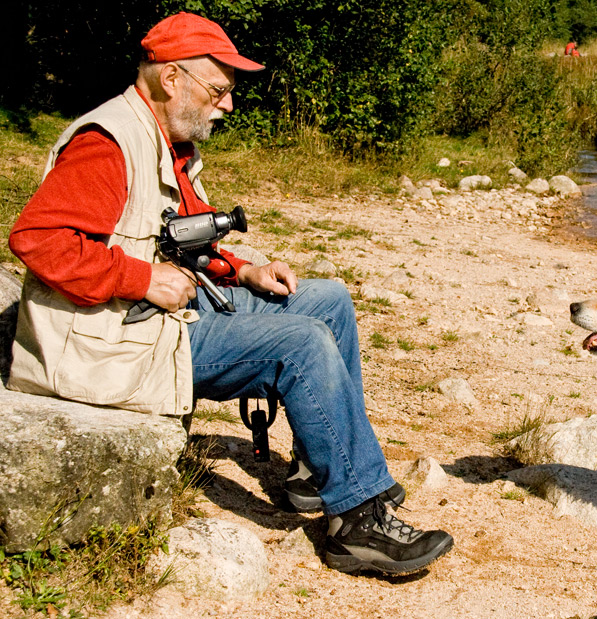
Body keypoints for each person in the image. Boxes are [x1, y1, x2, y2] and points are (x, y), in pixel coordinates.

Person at [6, 12, 453, 576]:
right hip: (114, 340)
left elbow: (181, 235)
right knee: (303, 342)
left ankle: (326, 471)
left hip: (159, 318)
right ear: (172, 79)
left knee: (329, 300)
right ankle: (357, 523)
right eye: (218, 91)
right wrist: (140, 278)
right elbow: (38, 239)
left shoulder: (169, 141)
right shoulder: (108, 144)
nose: (227, 105)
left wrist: (243, 271)